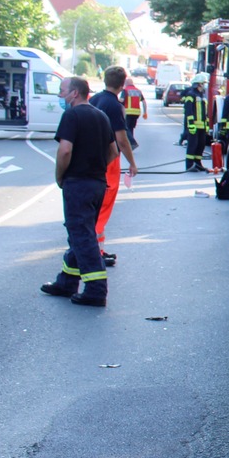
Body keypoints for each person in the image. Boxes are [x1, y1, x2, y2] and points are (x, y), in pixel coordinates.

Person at [41, 76, 117, 308]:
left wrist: (60, 176)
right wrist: (95, 167)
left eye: (62, 91)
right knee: (80, 233)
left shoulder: (72, 115)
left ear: (74, 93)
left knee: (82, 236)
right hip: (96, 184)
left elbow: (65, 151)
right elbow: (113, 151)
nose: (60, 96)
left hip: (78, 183)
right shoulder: (100, 115)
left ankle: (96, 290)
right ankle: (67, 282)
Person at [90, 66, 138, 267]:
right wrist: (132, 163)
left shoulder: (93, 100)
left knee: (94, 206)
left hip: (91, 158)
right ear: (121, 85)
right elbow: (121, 139)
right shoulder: (114, 105)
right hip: (108, 160)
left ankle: (97, 249)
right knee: (105, 204)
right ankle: (95, 251)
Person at [183, 72, 211, 172]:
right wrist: (190, 124)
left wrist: (207, 125)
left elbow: (205, 112)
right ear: (199, 84)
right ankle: (189, 165)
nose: (205, 85)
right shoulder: (191, 94)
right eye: (204, 83)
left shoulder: (203, 95)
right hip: (193, 126)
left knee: (201, 145)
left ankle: (198, 163)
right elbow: (188, 111)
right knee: (192, 145)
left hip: (202, 126)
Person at [120, 77, 147, 148]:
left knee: (125, 128)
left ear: (126, 83)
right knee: (131, 128)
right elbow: (144, 102)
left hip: (127, 112)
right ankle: (131, 145)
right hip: (136, 113)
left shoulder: (125, 90)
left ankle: (133, 142)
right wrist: (145, 112)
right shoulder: (138, 91)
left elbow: (122, 100)